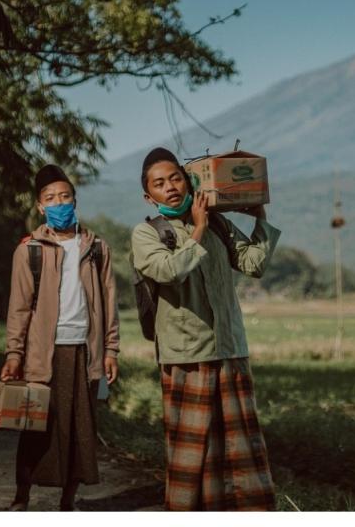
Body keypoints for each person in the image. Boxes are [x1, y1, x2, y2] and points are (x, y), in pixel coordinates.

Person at [131, 148, 280, 511]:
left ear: (189, 180)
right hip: (187, 354)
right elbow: (169, 272)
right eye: (159, 183)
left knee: (239, 451)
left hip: (229, 348)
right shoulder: (147, 233)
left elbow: (253, 264)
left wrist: (259, 218)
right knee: (191, 453)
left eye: (176, 178)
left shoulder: (217, 223)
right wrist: (196, 229)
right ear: (148, 195)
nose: (170, 187)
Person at [1, 164, 120, 511]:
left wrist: (111, 349)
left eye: (65, 196)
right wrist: (14, 354)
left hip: (85, 351)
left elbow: (109, 301)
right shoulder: (30, 250)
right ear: (40, 206)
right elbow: (19, 308)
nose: (59, 203)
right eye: (51, 198)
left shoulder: (97, 248)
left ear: (75, 199)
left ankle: (68, 501)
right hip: (44, 354)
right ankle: (21, 496)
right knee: (37, 425)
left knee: (79, 431)